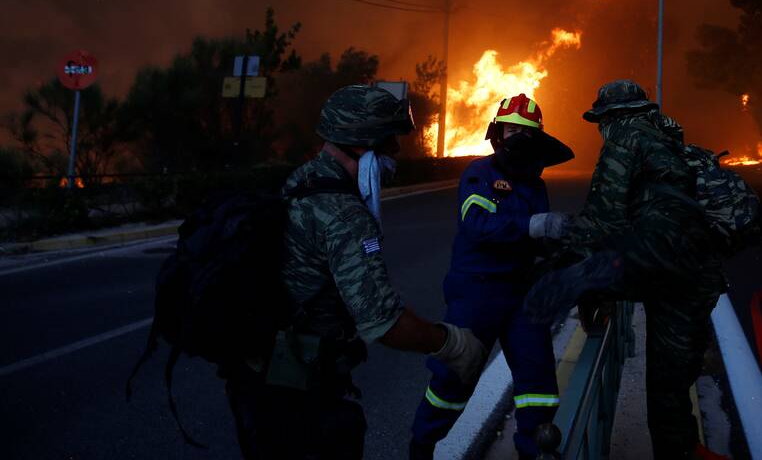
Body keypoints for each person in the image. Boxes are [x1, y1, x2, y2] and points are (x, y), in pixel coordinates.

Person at [226, 84, 488, 460]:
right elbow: (383, 322)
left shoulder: (301, 181)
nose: (394, 158)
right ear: (363, 145)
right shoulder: (346, 216)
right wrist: (452, 345)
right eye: (389, 145)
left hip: (256, 380)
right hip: (300, 396)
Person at [525, 80, 729, 460]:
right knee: (671, 393)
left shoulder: (624, 137)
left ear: (611, 115)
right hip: (697, 275)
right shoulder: (671, 141)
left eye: (600, 121)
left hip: (658, 262)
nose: (601, 129)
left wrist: (565, 242)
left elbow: (604, 219)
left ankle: (595, 278)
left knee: (592, 262)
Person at [409, 93, 574, 460]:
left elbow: (539, 242)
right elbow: (478, 225)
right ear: (498, 134)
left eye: (525, 131)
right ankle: (421, 446)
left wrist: (564, 248)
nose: (517, 137)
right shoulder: (480, 173)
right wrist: (532, 225)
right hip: (476, 293)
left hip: (521, 295)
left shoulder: (535, 185)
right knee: (453, 379)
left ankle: (535, 450)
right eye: (512, 129)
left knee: (539, 380)